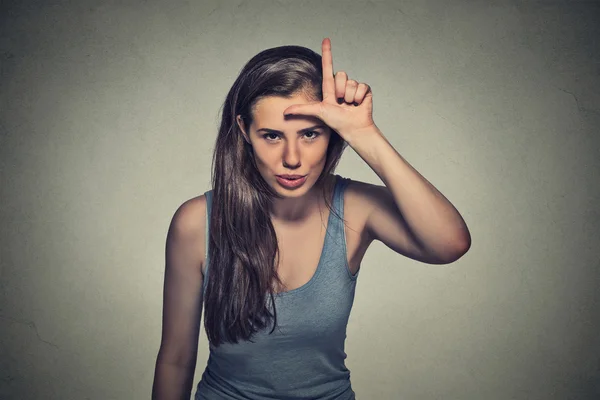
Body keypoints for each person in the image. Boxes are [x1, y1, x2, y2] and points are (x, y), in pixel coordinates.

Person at [151, 38, 471, 400]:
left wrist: (363, 133)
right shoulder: (196, 222)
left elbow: (450, 243)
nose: (292, 158)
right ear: (244, 131)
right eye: (272, 136)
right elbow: (176, 359)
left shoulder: (354, 207)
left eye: (310, 134)